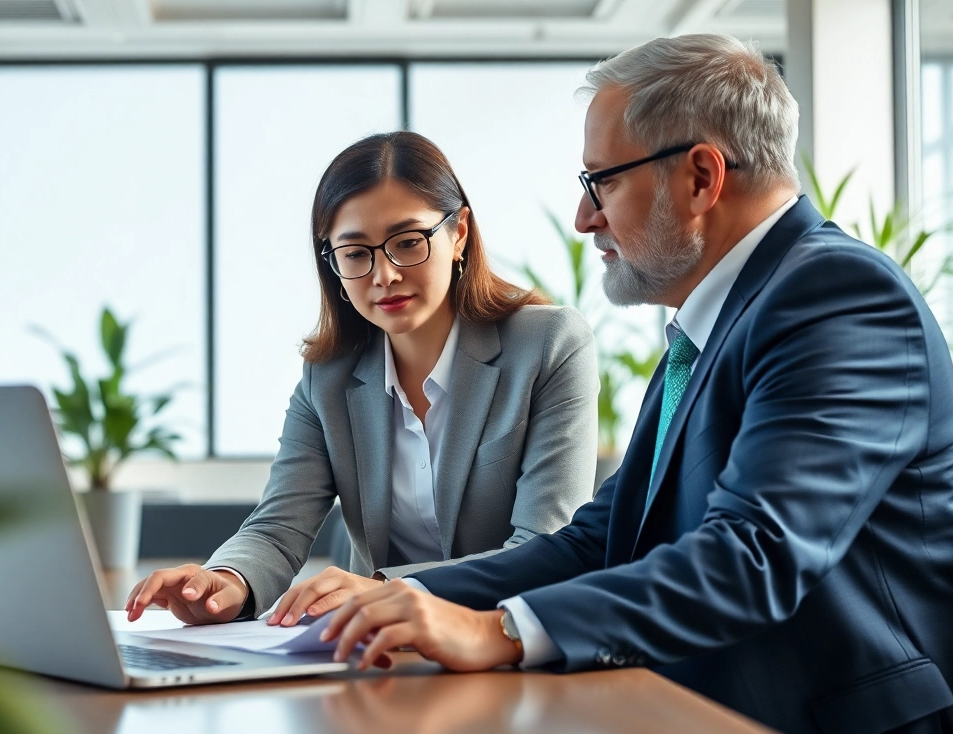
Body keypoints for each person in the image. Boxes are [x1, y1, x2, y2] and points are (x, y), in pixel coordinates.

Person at [320, 34, 953, 734]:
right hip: (707, 715)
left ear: (701, 177)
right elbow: (603, 539)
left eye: (601, 182)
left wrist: (501, 630)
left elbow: (754, 553)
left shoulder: (837, 297)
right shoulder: (709, 327)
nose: (585, 218)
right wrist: (404, 595)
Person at [126, 131, 600, 627]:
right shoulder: (328, 377)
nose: (384, 275)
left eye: (408, 243)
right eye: (355, 253)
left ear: (459, 233)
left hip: (504, 638)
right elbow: (277, 529)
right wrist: (225, 581)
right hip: (375, 651)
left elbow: (544, 548)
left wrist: (389, 590)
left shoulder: (548, 345)